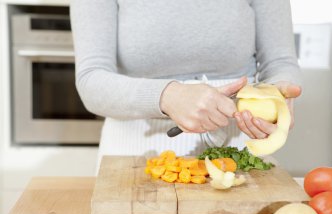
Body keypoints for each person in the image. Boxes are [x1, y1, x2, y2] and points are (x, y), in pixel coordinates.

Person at [70, 0, 302, 172]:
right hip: (133, 158)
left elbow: (280, 62)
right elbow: (91, 80)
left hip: (239, 151)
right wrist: (167, 97)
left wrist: (278, 95)